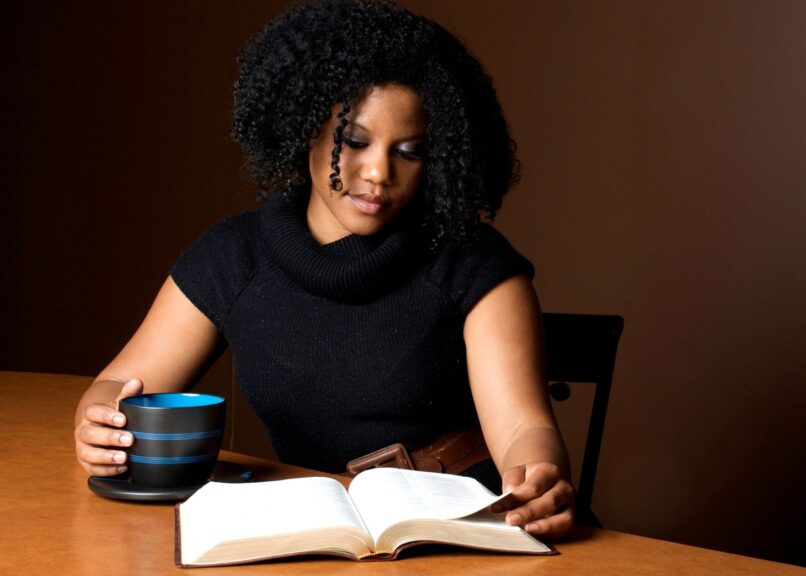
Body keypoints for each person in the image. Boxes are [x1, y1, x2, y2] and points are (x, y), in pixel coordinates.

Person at [73, 0, 573, 538]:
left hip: (468, 528)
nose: (378, 172)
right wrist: (101, 421)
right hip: (326, 535)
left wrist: (537, 476)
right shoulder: (234, 257)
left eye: (409, 151)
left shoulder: (473, 263)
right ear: (305, 129)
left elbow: (524, 428)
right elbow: (120, 384)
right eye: (354, 141)